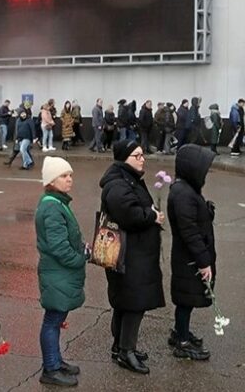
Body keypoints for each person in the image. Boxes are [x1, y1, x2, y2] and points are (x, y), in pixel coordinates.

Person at [100, 140, 166, 375]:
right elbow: (128, 214)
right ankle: (126, 350)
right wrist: (152, 216)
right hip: (127, 253)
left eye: (142, 154)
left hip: (133, 252)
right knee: (134, 303)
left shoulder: (128, 178)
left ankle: (120, 347)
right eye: (136, 155)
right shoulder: (118, 184)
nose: (142, 158)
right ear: (123, 158)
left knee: (126, 302)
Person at [35, 157, 87, 387]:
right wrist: (79, 259)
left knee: (56, 320)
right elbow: (59, 246)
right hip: (58, 273)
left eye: (70, 175)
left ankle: (56, 361)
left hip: (59, 274)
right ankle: (51, 368)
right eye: (64, 176)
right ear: (51, 181)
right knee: (52, 321)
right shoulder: (51, 206)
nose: (69, 180)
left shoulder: (58, 203)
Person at [168, 144, 216, 361]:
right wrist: (203, 261)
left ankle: (181, 331)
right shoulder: (183, 194)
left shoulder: (187, 189)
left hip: (189, 257)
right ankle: (182, 341)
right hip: (188, 258)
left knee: (187, 298)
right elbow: (189, 231)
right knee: (186, 299)